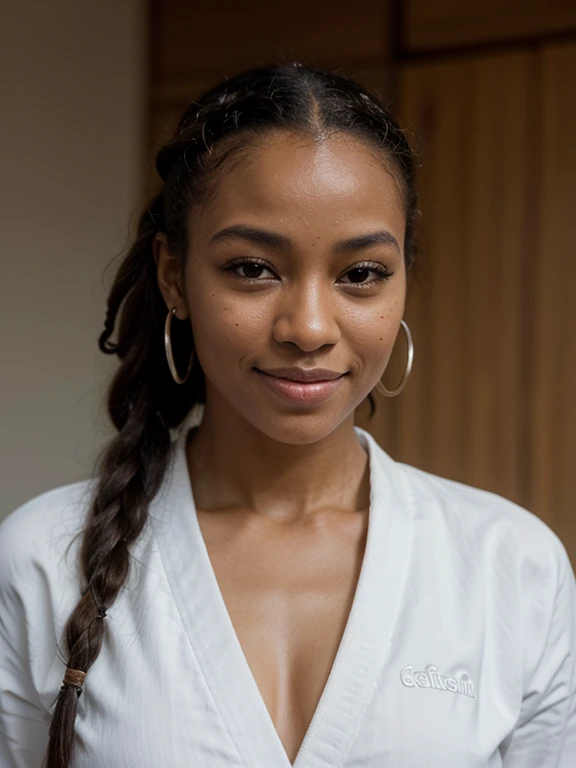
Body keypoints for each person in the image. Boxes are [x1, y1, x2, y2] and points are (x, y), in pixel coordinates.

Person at [0, 62, 574, 768]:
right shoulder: (40, 561)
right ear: (174, 275)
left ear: (403, 285)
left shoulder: (512, 569)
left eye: (360, 274)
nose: (307, 327)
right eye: (253, 267)